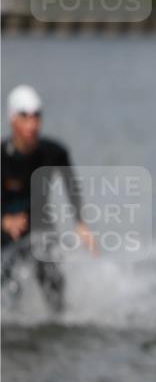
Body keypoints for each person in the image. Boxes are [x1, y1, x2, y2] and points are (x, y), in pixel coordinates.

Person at [1, 85, 94, 313]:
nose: (32, 124)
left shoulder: (55, 152)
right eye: (25, 116)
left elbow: (71, 185)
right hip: (6, 228)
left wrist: (81, 223)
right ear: (12, 119)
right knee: (8, 286)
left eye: (36, 116)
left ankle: (59, 321)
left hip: (40, 226)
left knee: (53, 281)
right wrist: (4, 221)